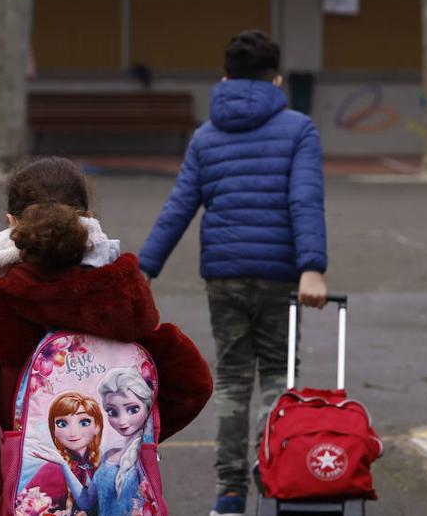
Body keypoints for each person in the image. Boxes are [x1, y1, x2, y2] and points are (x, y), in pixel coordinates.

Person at [0, 156, 213, 516]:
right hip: (117, 500)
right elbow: (192, 383)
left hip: (15, 491)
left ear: (11, 222)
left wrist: (9, 449)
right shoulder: (121, 297)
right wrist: (126, 434)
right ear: (88, 218)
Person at [138, 29, 329, 516]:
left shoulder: (207, 134)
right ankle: (276, 480)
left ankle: (228, 495)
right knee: (280, 378)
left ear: (224, 77)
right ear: (277, 77)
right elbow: (304, 201)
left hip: (223, 275)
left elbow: (180, 206)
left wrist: (144, 270)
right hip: (281, 275)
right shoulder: (298, 128)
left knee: (232, 382)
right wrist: (312, 268)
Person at [95, 368, 156, 514]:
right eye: (113, 412)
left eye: (133, 409)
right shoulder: (108, 455)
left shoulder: (144, 453)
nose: (122, 421)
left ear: (147, 407)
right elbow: (86, 500)